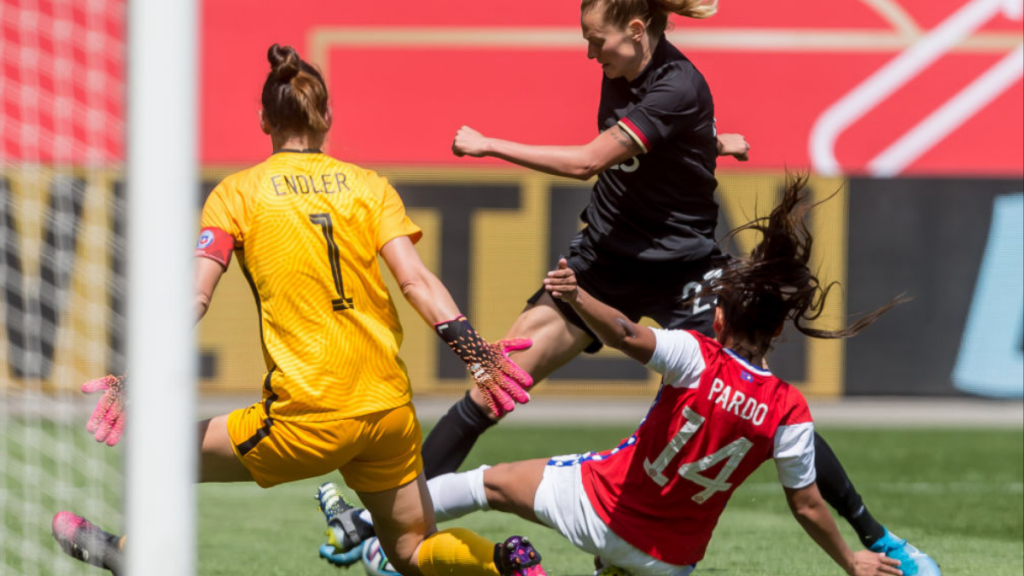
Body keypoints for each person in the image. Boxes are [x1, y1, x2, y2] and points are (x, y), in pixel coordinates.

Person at [413, 1, 937, 572]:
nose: (589, 53)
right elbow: (658, 143)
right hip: (605, 262)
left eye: (597, 41)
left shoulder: (679, 84)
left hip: (683, 271)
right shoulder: (625, 69)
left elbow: (589, 162)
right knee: (494, 384)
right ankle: (391, 526)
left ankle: (879, 539)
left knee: (760, 396)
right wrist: (711, 142)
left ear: (637, 31)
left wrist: (488, 144)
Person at [50, 44, 546, 576]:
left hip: (310, 417)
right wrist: (476, 354)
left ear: (263, 119)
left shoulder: (236, 194)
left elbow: (195, 296)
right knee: (412, 550)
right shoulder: (370, 187)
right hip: (386, 412)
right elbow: (416, 281)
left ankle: (131, 556)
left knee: (159, 455)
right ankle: (503, 562)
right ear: (326, 116)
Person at [317, 178, 937, 576]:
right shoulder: (789, 410)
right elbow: (805, 505)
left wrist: (575, 294)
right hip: (672, 562)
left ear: (718, 318)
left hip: (601, 509)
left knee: (486, 485)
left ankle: (379, 534)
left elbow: (623, 333)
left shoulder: (696, 354)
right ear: (778, 332)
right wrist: (852, 560)